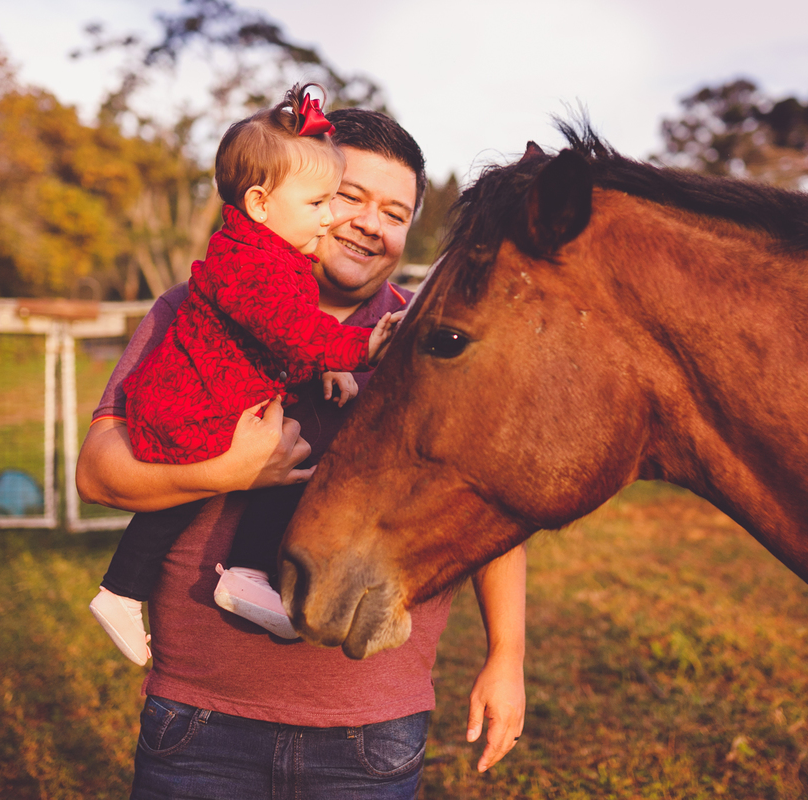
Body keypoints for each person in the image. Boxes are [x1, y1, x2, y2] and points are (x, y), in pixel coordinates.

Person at [76, 107, 526, 798]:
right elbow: (98, 471)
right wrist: (228, 472)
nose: (370, 224)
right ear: (290, 195)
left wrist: (507, 658)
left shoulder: (439, 337)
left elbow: (490, 507)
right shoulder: (194, 305)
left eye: (396, 212)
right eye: (347, 197)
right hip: (201, 714)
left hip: (370, 721)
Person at [89, 84, 402, 665]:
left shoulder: (266, 257)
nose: (333, 216)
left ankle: (150, 585)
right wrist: (363, 345)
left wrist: (325, 364)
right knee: (259, 477)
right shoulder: (252, 265)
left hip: (206, 399)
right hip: (195, 406)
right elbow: (294, 333)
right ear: (260, 204)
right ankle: (173, 582)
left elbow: (280, 342)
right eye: (321, 203)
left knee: (271, 470)